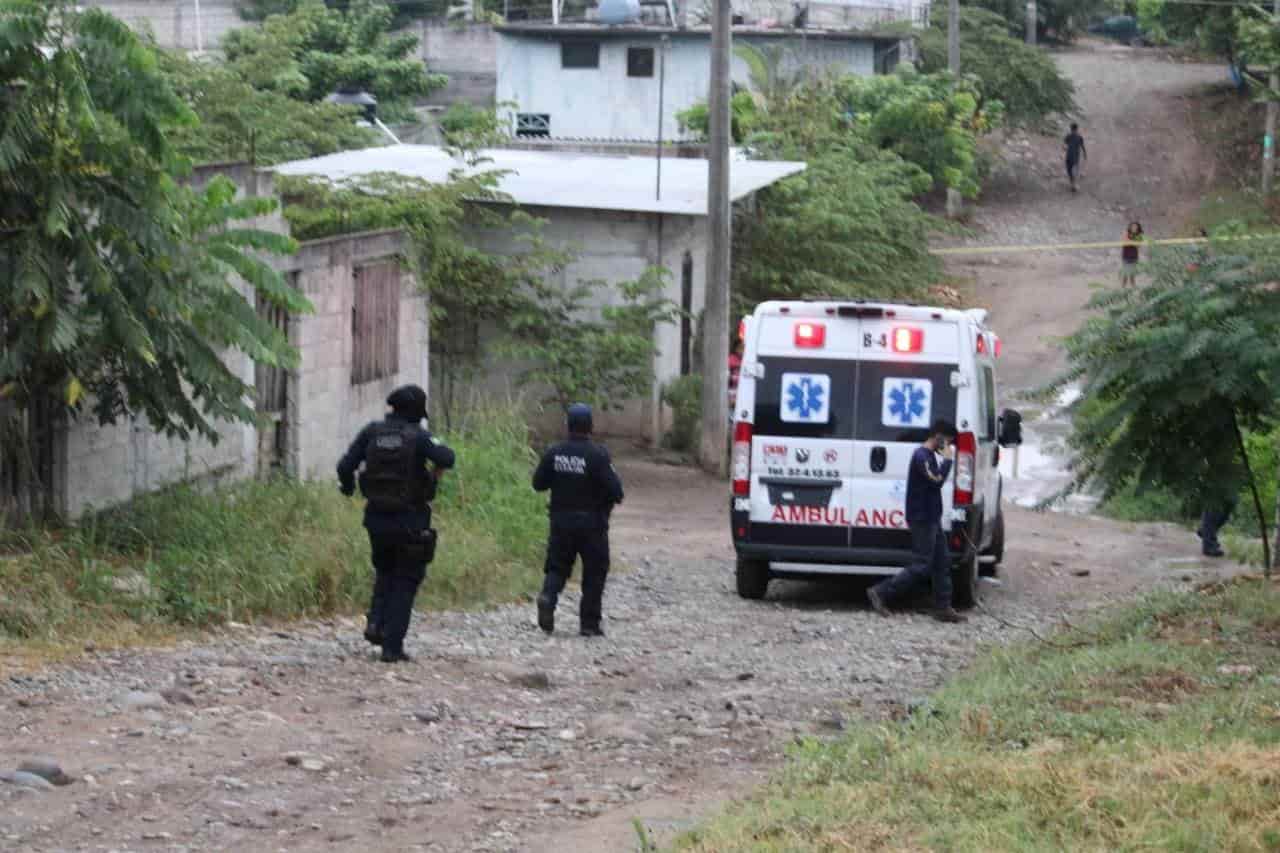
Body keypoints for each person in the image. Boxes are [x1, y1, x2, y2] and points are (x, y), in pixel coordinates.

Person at [337, 384, 455, 663]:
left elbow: (345, 467)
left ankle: (376, 623)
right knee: (406, 579)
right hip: (410, 520)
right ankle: (392, 647)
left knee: (385, 570)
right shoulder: (420, 437)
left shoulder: (372, 432)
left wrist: (347, 487)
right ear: (417, 412)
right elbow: (447, 458)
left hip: (376, 519)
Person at [533, 403, 624, 637]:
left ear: (568, 426)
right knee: (595, 571)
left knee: (557, 567)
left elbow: (538, 484)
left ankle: (548, 596)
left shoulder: (554, 452)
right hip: (592, 525)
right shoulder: (598, 455)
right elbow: (617, 492)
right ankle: (589, 624)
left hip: (561, 522)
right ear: (590, 426)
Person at [867, 419, 968, 624]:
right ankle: (881, 591)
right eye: (947, 441)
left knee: (942, 561)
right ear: (938, 436)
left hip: (932, 516)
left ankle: (943, 606)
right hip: (922, 517)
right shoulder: (921, 456)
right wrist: (948, 461)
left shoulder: (929, 456)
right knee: (922, 564)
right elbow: (936, 481)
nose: (948, 446)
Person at [1064, 123, 1087, 192]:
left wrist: (1065, 149)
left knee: (1069, 170)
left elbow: (1064, 145)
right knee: (1075, 170)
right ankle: (1074, 185)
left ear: (1070, 129)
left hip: (1068, 156)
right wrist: (1085, 154)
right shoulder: (1079, 137)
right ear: (1077, 129)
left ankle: (1072, 184)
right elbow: (1082, 146)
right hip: (1075, 156)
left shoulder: (1068, 136)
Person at [1121, 221, 1144, 286]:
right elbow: (1125, 240)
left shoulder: (1139, 235)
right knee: (1125, 274)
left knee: (1132, 274)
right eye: (1132, 226)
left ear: (1138, 227)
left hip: (1134, 256)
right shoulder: (1126, 233)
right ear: (1130, 227)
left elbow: (1138, 245)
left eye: (1135, 226)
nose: (1134, 227)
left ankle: (1133, 288)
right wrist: (1133, 242)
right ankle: (1123, 288)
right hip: (1126, 255)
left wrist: (1132, 242)